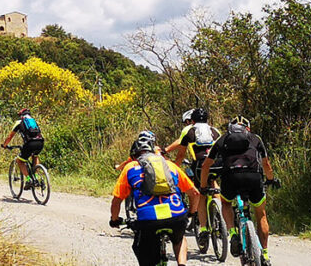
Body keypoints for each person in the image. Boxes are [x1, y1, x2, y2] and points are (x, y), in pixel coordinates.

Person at [110, 132, 201, 266]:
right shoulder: (169, 165)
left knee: (141, 247)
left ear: (134, 155)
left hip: (148, 220)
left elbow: (117, 201)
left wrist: (114, 220)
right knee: (179, 238)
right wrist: (192, 212)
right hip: (176, 216)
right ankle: (182, 264)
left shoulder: (130, 168)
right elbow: (195, 193)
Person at [199, 116, 279, 265]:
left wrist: (203, 186)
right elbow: (266, 164)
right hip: (253, 177)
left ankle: (233, 233)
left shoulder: (222, 139)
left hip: (231, 178)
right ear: (247, 128)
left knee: (226, 203)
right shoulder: (255, 138)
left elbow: (205, 166)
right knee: (261, 214)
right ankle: (266, 254)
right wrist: (270, 179)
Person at [163, 108, 221, 249]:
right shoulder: (216, 131)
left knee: (201, 193)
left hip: (200, 166)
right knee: (214, 183)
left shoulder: (190, 131)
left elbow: (181, 155)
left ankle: (204, 229)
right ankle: (220, 215)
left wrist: (174, 168)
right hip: (218, 164)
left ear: (192, 121)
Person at [1, 109, 44, 190]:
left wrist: (4, 145)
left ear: (21, 116)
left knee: (19, 161)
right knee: (35, 155)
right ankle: (36, 176)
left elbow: (10, 136)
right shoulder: (33, 121)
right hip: (40, 142)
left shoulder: (19, 122)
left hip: (30, 144)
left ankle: (28, 179)